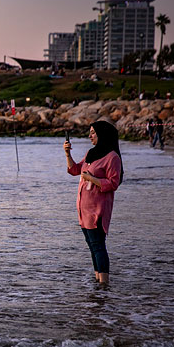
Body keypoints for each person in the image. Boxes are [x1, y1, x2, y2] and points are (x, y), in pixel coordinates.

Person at [63, 120, 123, 285]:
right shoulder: (91, 153)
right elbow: (75, 170)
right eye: (90, 132)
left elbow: (113, 183)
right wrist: (68, 154)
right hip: (84, 210)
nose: (90, 136)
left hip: (98, 210)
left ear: (102, 134)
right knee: (92, 246)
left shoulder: (112, 157)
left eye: (93, 132)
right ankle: (98, 281)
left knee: (98, 246)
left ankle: (104, 283)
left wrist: (92, 178)